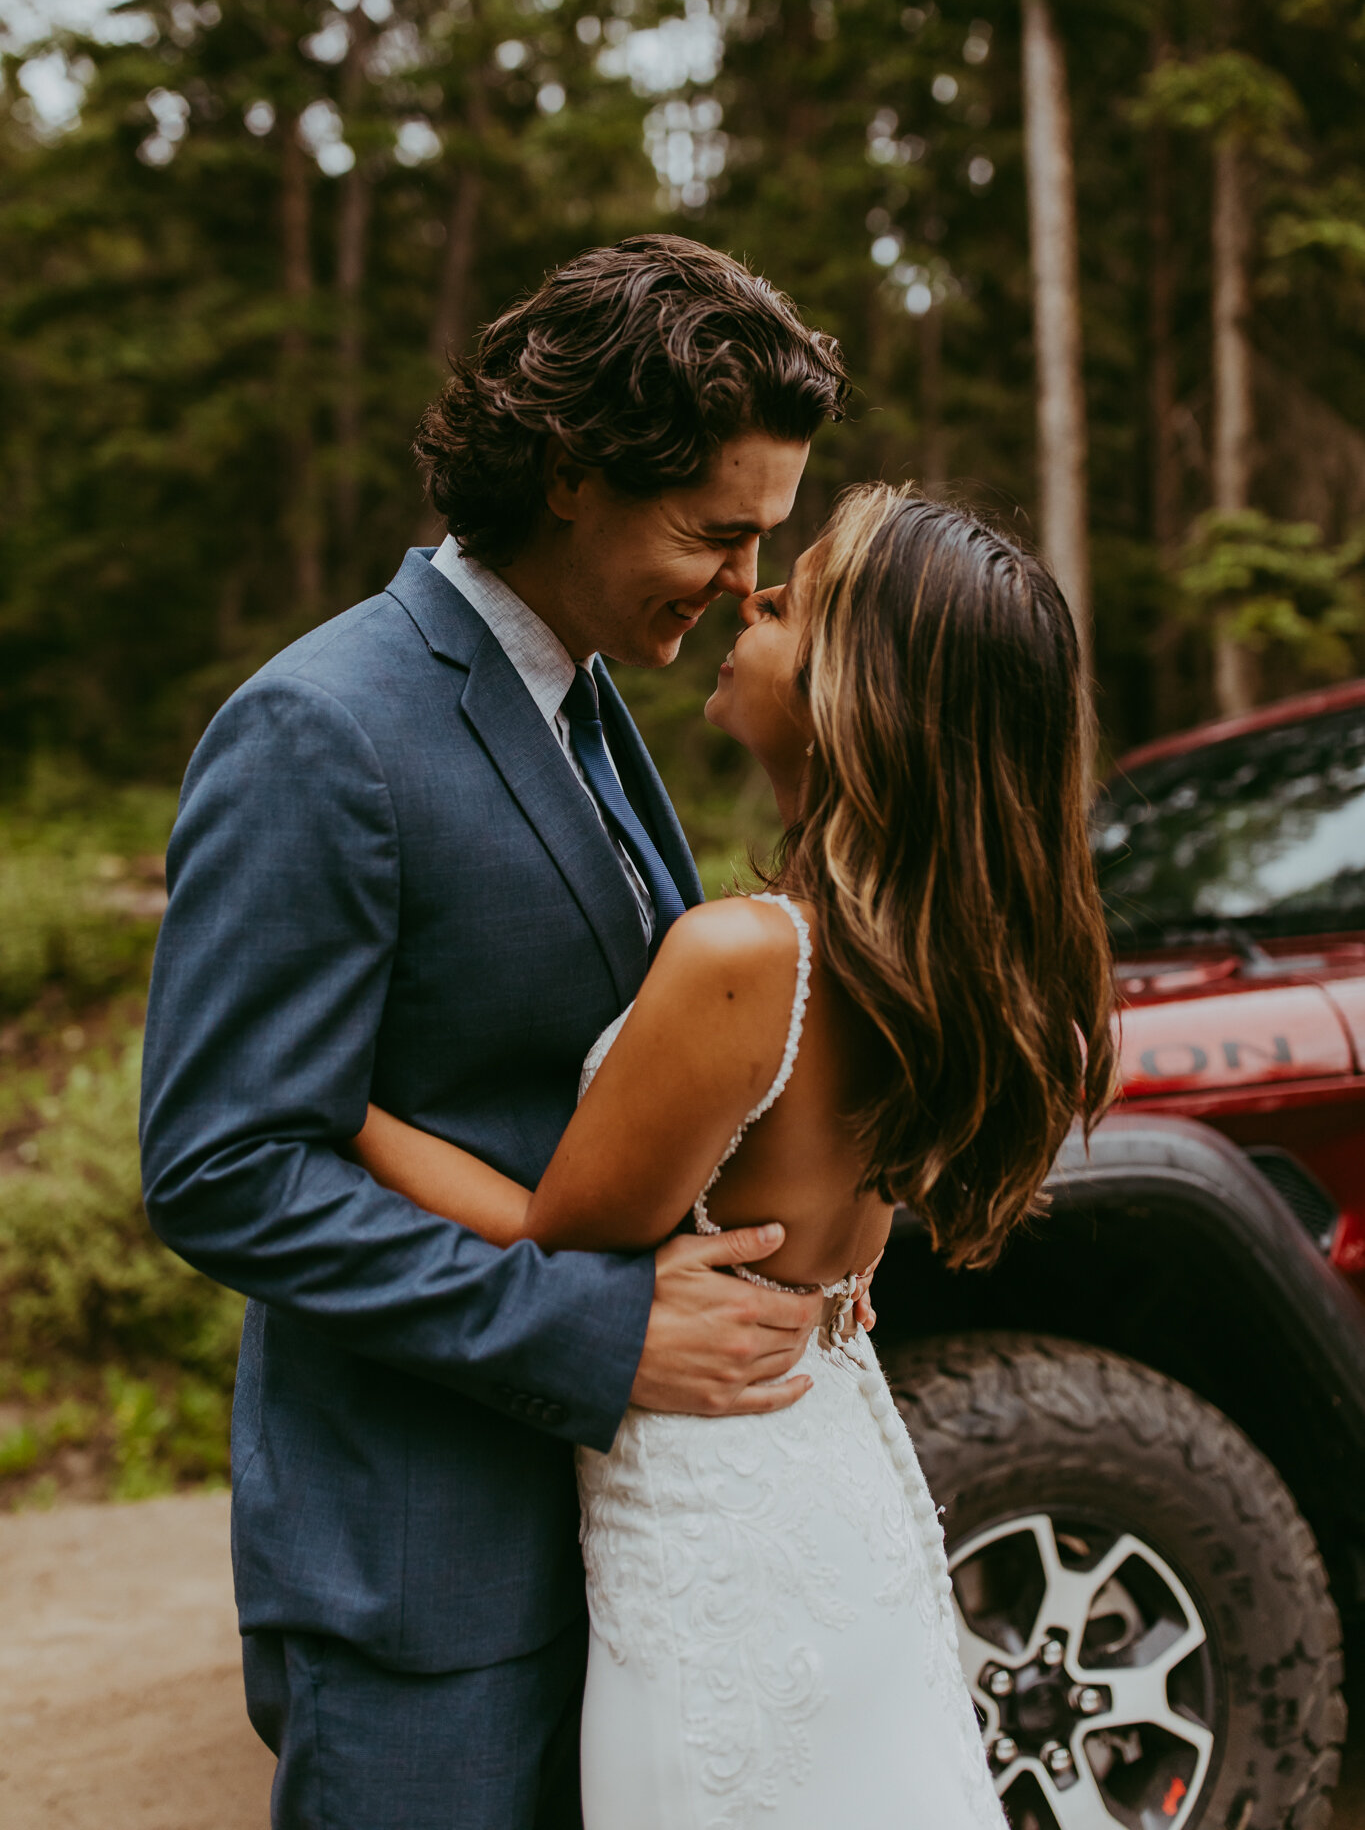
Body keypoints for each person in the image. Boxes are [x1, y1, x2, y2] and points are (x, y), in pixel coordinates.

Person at [138, 233, 850, 1830]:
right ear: (569, 473)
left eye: (765, 542)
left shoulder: (589, 704)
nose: (744, 585)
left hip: (617, 1554)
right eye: (713, 532)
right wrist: (594, 1330)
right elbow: (223, 1164)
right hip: (424, 1587)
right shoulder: (320, 730)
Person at [353, 482, 1121, 1828]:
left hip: (718, 1540)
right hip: (833, 1483)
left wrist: (338, 1107)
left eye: (796, 599)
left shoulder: (749, 958)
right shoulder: (932, 973)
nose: (746, 597)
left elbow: (554, 1238)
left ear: (857, 694)